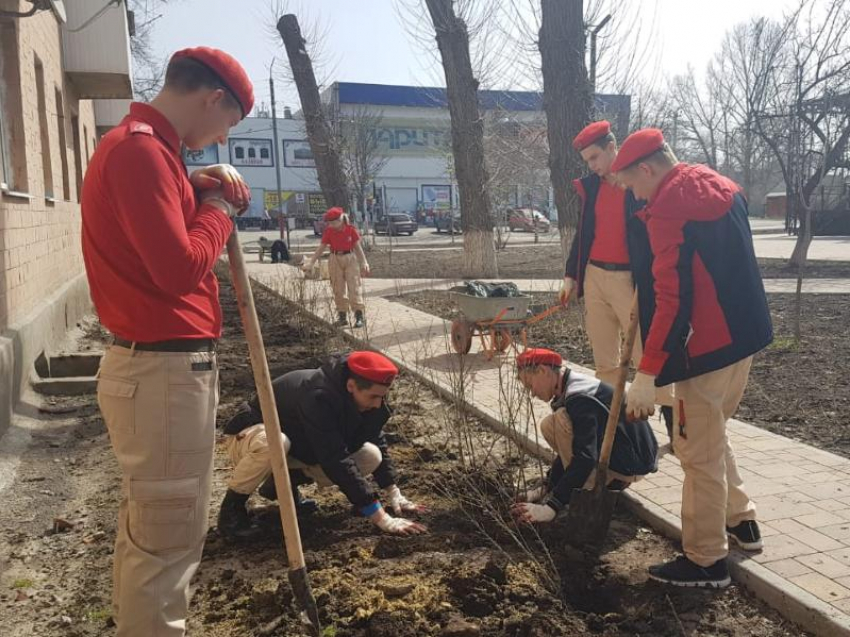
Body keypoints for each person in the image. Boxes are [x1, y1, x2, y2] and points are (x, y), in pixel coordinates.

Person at [81, 47, 254, 635]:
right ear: (213, 99)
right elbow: (179, 268)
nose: (224, 141)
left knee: (159, 532)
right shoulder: (140, 152)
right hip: (161, 376)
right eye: (230, 124)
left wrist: (190, 181)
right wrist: (216, 209)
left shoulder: (149, 152)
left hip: (161, 372)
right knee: (165, 543)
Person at [612, 128, 773, 588]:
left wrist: (648, 374)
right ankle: (742, 521)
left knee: (694, 453)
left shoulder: (668, 211)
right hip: (744, 337)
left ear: (648, 169)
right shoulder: (720, 186)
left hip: (705, 348)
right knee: (711, 436)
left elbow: (671, 299)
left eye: (632, 185)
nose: (634, 196)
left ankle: (706, 561)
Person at [218, 351, 427, 539]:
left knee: (370, 455)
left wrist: (393, 492)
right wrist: (381, 518)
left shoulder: (368, 397)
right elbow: (335, 457)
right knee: (276, 442)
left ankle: (282, 482)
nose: (377, 404)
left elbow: (375, 439)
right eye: (373, 397)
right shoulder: (318, 396)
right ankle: (232, 512)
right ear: (351, 386)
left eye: (383, 397)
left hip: (300, 445)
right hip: (250, 437)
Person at [561, 121, 676, 447]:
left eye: (596, 157)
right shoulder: (592, 187)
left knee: (647, 358)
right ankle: (625, 434)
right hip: (596, 277)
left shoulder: (640, 184)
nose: (593, 166)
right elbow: (584, 233)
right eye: (588, 161)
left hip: (632, 281)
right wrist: (572, 275)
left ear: (614, 148)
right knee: (606, 363)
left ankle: (676, 433)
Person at [511, 349, 658, 524]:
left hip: (633, 462)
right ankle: (605, 482)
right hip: (626, 453)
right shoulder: (569, 386)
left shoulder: (580, 397)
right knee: (552, 425)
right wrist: (547, 485)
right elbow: (575, 449)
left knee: (558, 421)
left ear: (543, 371)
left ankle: (590, 492)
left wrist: (552, 506)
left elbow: (585, 457)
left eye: (530, 386)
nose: (532, 393)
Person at [302, 207, 370, 328]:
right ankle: (342, 316)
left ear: (341, 219)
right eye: (330, 223)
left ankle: (359, 316)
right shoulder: (329, 231)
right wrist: (311, 262)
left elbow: (358, 248)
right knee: (337, 288)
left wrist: (364, 262)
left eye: (335, 222)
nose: (333, 225)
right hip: (334, 258)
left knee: (354, 286)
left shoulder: (350, 230)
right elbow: (321, 247)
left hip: (350, 258)